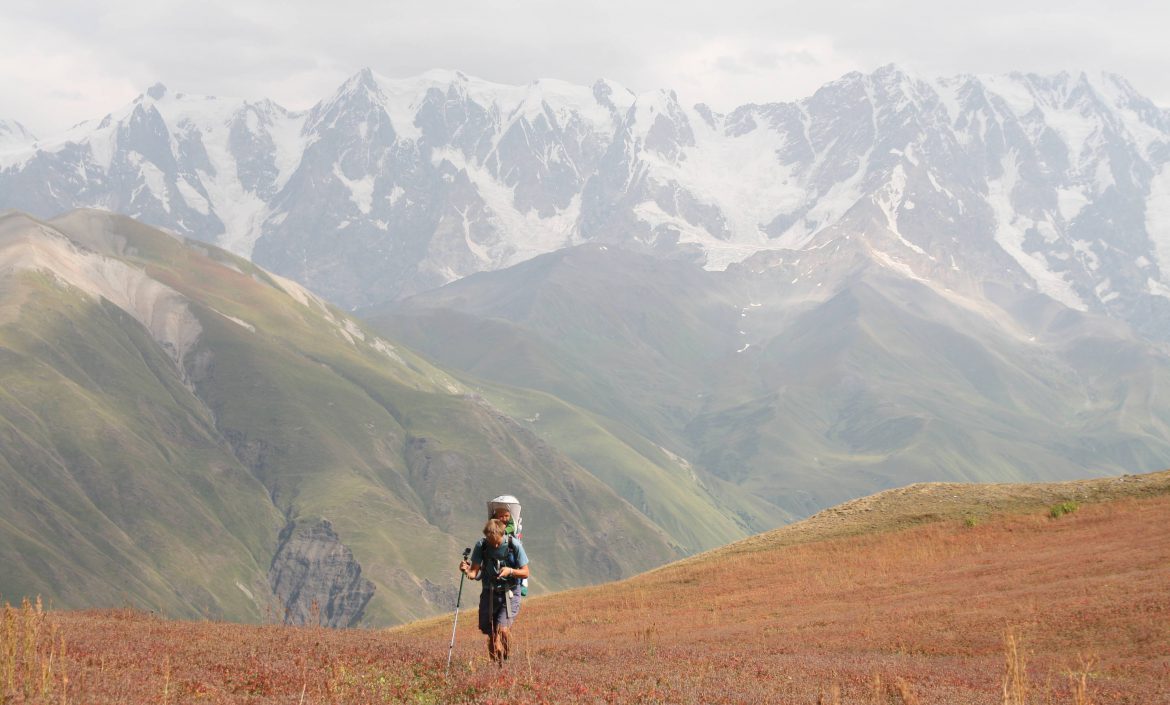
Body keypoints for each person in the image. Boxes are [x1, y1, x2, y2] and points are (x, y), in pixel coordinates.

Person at [460, 518, 530, 662]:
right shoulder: (482, 546)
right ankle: (497, 666)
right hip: (489, 593)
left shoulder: (513, 545)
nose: (496, 545)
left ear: (503, 534)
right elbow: (473, 573)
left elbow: (525, 573)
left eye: (498, 542)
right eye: (492, 543)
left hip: (510, 592)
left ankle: (507, 658)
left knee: (503, 630)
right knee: (492, 634)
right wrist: (465, 570)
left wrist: (510, 571)